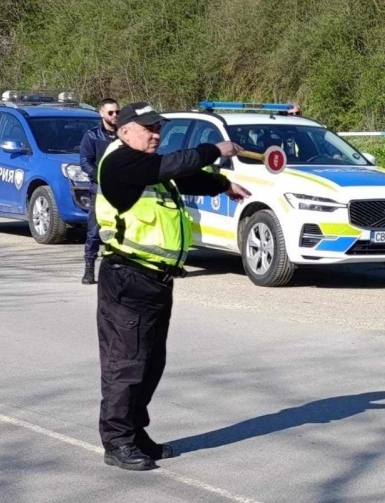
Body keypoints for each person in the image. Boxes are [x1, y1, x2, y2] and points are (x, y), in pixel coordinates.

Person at [95, 102, 250, 471]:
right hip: (128, 277)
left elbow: (183, 177)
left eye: (158, 127)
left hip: (155, 280)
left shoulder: (144, 165)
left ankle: (135, 432)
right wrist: (216, 150)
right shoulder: (120, 162)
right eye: (148, 128)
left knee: (150, 364)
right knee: (126, 364)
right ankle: (117, 442)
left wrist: (222, 184)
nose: (156, 134)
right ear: (124, 130)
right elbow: (173, 165)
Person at [79, 98, 119, 285]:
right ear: (102, 113)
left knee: (120, 231)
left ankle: (115, 270)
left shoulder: (124, 134)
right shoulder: (93, 136)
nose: (115, 116)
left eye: (117, 112)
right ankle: (89, 268)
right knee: (94, 231)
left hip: (122, 189)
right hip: (100, 190)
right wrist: (99, 175)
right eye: (111, 112)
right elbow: (85, 161)